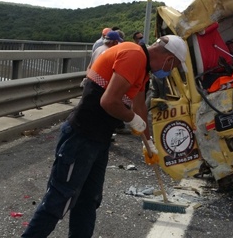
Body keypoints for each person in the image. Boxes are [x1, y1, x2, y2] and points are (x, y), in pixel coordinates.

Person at [21, 35, 188, 238]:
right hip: (81, 137)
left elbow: (139, 104)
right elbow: (109, 101)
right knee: (60, 199)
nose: (170, 71)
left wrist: (147, 141)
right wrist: (133, 119)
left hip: (99, 139)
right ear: (169, 58)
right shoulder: (134, 56)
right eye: (174, 66)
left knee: (88, 200)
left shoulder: (143, 67)